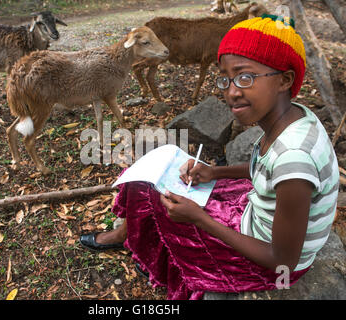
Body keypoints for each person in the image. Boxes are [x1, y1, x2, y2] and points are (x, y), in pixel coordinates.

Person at [79, 14, 340, 299]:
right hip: (260, 215)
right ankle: (130, 235)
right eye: (226, 80)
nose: (231, 92)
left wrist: (201, 219)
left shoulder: (295, 157)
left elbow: (283, 261)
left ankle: (128, 238)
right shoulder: (293, 118)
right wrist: (214, 173)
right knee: (169, 181)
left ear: (285, 79)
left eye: (245, 77)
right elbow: (266, 170)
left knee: (146, 190)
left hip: (264, 261)